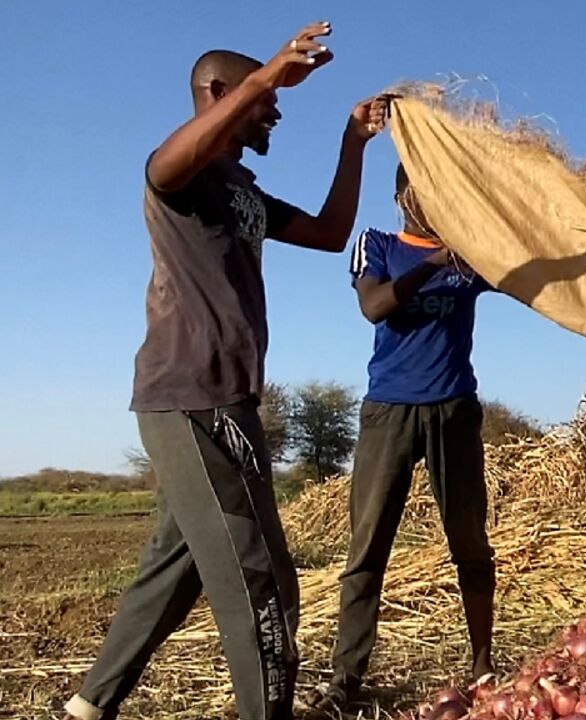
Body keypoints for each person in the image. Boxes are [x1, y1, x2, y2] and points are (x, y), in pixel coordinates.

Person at [63, 22, 388, 720]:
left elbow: (331, 235)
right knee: (260, 580)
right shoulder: (181, 176)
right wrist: (266, 75)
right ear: (218, 92)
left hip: (228, 400)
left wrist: (352, 144)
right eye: (262, 99)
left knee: (176, 568)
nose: (274, 111)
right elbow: (161, 164)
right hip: (189, 398)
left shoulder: (241, 193)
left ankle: (89, 704)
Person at [304, 163, 499, 710]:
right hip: (389, 412)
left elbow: (536, 271)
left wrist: (577, 208)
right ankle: (347, 678)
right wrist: (439, 259)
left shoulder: (474, 256)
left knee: (469, 540)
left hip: (454, 409)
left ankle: (483, 662)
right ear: (402, 195)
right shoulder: (379, 243)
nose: (433, 198)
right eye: (423, 187)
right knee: (368, 546)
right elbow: (375, 305)